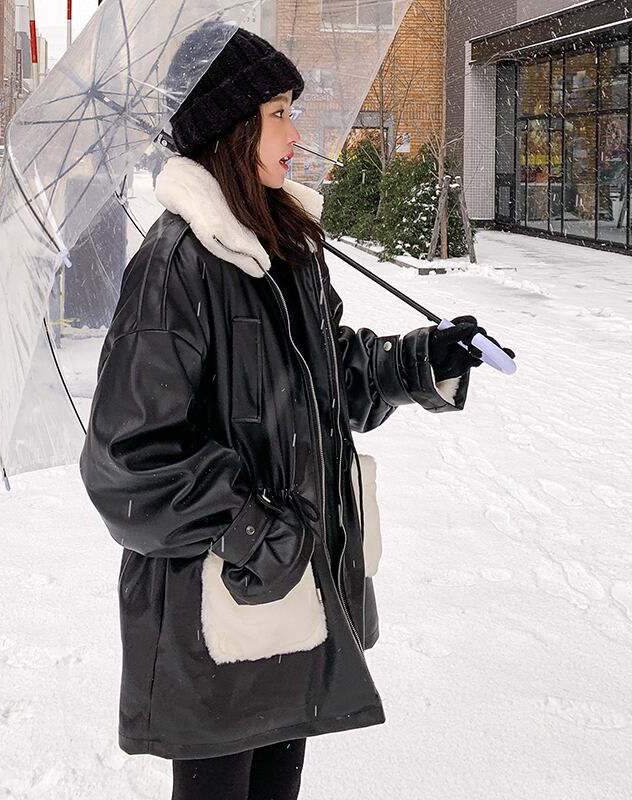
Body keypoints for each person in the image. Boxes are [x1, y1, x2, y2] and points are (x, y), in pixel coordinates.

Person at [80, 22, 514, 800]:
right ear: (230, 128)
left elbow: (332, 377)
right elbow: (127, 461)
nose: (295, 131)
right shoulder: (177, 268)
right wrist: (256, 531)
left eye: (292, 110)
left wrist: (425, 359)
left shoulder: (286, 250)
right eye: (278, 112)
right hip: (219, 615)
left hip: (296, 597)